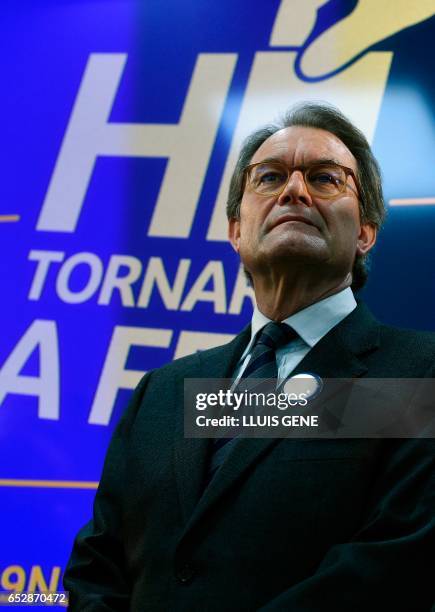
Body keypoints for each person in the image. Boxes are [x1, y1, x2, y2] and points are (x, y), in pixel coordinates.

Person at [64, 103, 435, 611]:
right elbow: (96, 567)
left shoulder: (418, 373)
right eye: (269, 177)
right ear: (236, 231)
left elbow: (394, 567)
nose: (294, 191)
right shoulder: (163, 391)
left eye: (326, 178)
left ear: (366, 233)